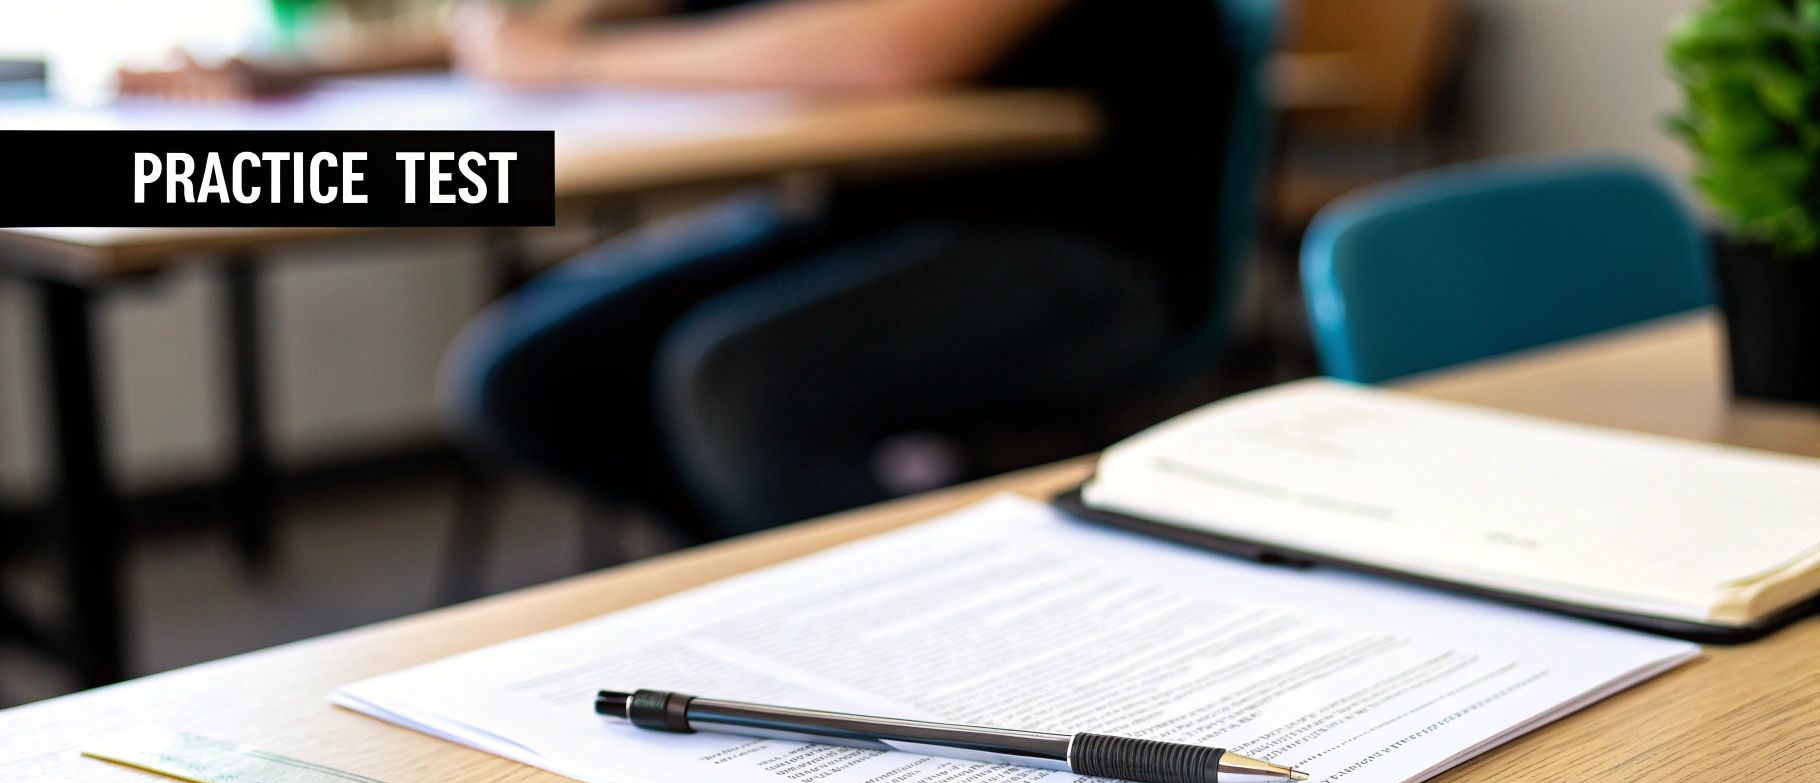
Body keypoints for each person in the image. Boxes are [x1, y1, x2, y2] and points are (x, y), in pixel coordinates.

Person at [122, 0, 1230, 539]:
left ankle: (919, 641)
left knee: (737, 383)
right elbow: (550, 15)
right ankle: (763, 570)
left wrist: (572, 63)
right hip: (865, 225)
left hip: (1090, 251)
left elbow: (896, 47)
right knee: (527, 374)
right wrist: (282, 68)